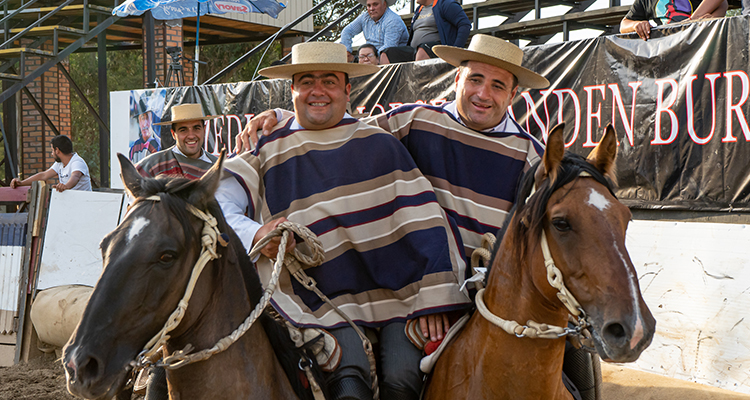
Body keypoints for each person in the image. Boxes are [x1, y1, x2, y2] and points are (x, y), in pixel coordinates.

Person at [215, 41, 470, 400]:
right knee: (348, 382)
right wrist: (257, 231)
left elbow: (424, 218)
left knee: (403, 379)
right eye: (306, 81)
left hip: (396, 296)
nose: (318, 91)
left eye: (329, 81)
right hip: (317, 299)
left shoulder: (381, 143)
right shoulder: (267, 148)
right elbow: (218, 203)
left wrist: (435, 296)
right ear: (292, 90)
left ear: (348, 89)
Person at [136, 103, 218, 180]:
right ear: (173, 134)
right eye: (183, 130)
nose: (191, 136)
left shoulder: (218, 167)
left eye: (196, 128)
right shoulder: (152, 166)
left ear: (204, 130)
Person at [382, 0, 470, 64]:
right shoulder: (419, 10)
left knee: (423, 50)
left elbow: (465, 25)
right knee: (386, 54)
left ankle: (418, 87)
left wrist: (454, 51)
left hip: (437, 51)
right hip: (414, 51)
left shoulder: (446, 4)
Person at [11, 135, 92, 192]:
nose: (52, 154)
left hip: (84, 204)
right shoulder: (60, 164)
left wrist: (66, 186)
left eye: (52, 150)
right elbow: (43, 175)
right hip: (71, 203)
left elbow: (75, 176)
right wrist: (21, 183)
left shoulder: (77, 162)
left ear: (57, 150)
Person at [340, 0, 409, 64]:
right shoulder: (365, 17)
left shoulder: (393, 20)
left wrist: (363, 57)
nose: (371, 8)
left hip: (392, 62)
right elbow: (347, 31)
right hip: (371, 58)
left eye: (375, 4)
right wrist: (347, 51)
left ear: (384, 4)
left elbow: (388, 48)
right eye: (369, 5)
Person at [620, 0, 728, 40]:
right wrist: (636, 25)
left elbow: (722, 3)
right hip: (659, 49)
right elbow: (624, 25)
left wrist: (712, 19)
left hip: (692, 49)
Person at [129, 98, 161, 163]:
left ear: (152, 119)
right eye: (142, 118)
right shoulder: (134, 147)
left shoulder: (158, 145)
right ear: (139, 121)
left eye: (148, 118)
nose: (145, 124)